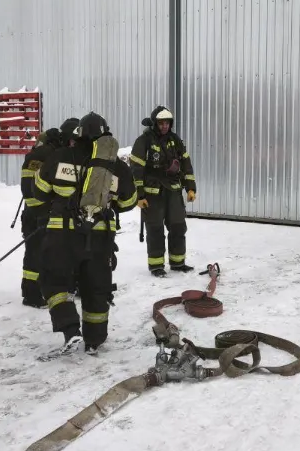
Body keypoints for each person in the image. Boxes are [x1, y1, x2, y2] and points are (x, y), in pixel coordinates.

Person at [31, 112, 138, 356]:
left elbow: (39, 191)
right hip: (100, 237)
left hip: (62, 236)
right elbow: (130, 201)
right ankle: (94, 340)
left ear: (78, 134)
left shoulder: (60, 157)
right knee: (97, 288)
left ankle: (70, 330)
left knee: (54, 281)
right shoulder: (116, 166)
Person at [129, 106, 197, 277]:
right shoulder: (144, 141)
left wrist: (190, 188)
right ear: (154, 123)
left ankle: (178, 262)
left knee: (178, 227)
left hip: (173, 192)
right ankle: (156, 265)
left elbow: (186, 164)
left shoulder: (175, 140)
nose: (165, 126)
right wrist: (140, 195)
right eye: (161, 123)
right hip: (153, 194)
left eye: (167, 123)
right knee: (155, 229)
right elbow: (136, 169)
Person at [18, 120, 77, 308]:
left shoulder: (41, 154)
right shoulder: (50, 156)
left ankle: (33, 293)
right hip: (40, 214)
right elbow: (32, 189)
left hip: (33, 212)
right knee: (39, 255)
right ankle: (33, 295)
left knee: (37, 253)